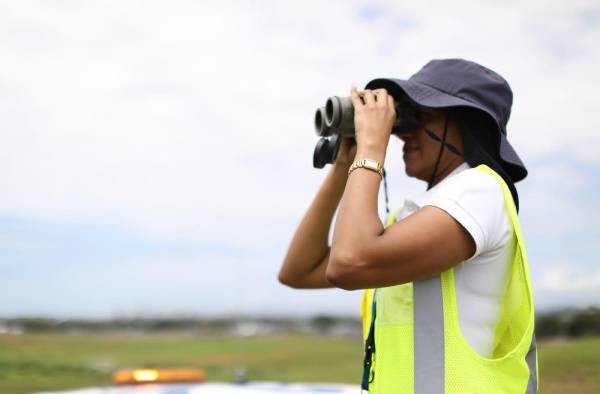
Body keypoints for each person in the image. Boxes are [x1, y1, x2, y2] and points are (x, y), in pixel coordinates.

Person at [278, 59, 537, 393]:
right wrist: (344, 164)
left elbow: (348, 262)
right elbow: (297, 272)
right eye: (403, 117)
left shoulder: (480, 191)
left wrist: (371, 148)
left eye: (421, 116)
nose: (402, 133)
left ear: (466, 124)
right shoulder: (407, 220)